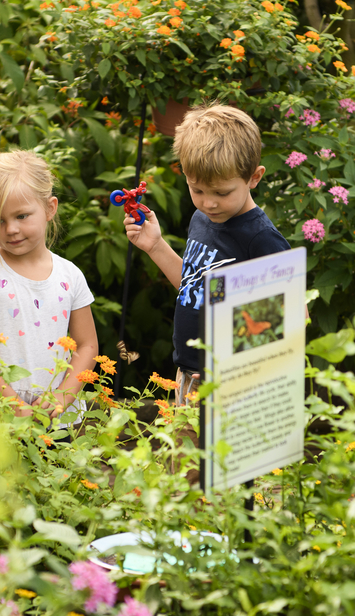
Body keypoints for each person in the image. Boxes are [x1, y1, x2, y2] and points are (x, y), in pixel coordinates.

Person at [124, 104, 291, 405]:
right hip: (190, 376)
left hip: (236, 388)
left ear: (254, 177)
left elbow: (291, 319)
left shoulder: (261, 239)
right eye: (197, 190)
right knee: (186, 453)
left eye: (222, 193)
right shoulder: (202, 219)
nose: (209, 203)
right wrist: (156, 246)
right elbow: (195, 287)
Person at [0, 151, 99, 419]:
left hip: (54, 418)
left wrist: (64, 395)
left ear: (50, 208)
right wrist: (14, 406)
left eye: (21, 216)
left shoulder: (70, 276)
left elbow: (87, 345)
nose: (11, 230)